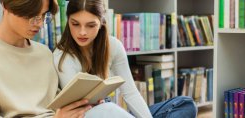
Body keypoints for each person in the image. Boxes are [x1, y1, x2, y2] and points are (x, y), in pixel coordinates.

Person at [0, 0, 132, 118]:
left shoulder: (43, 53)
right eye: (31, 16)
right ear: (5, 5)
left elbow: (57, 104)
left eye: (43, 16)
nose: (38, 23)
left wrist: (85, 103)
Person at [53, 0, 198, 118]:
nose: (82, 32)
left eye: (91, 25)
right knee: (108, 108)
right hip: (91, 113)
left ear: (102, 23)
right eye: (75, 24)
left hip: (114, 112)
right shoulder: (62, 55)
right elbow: (82, 107)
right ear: (68, 21)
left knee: (185, 105)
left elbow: (130, 93)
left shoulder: (113, 46)